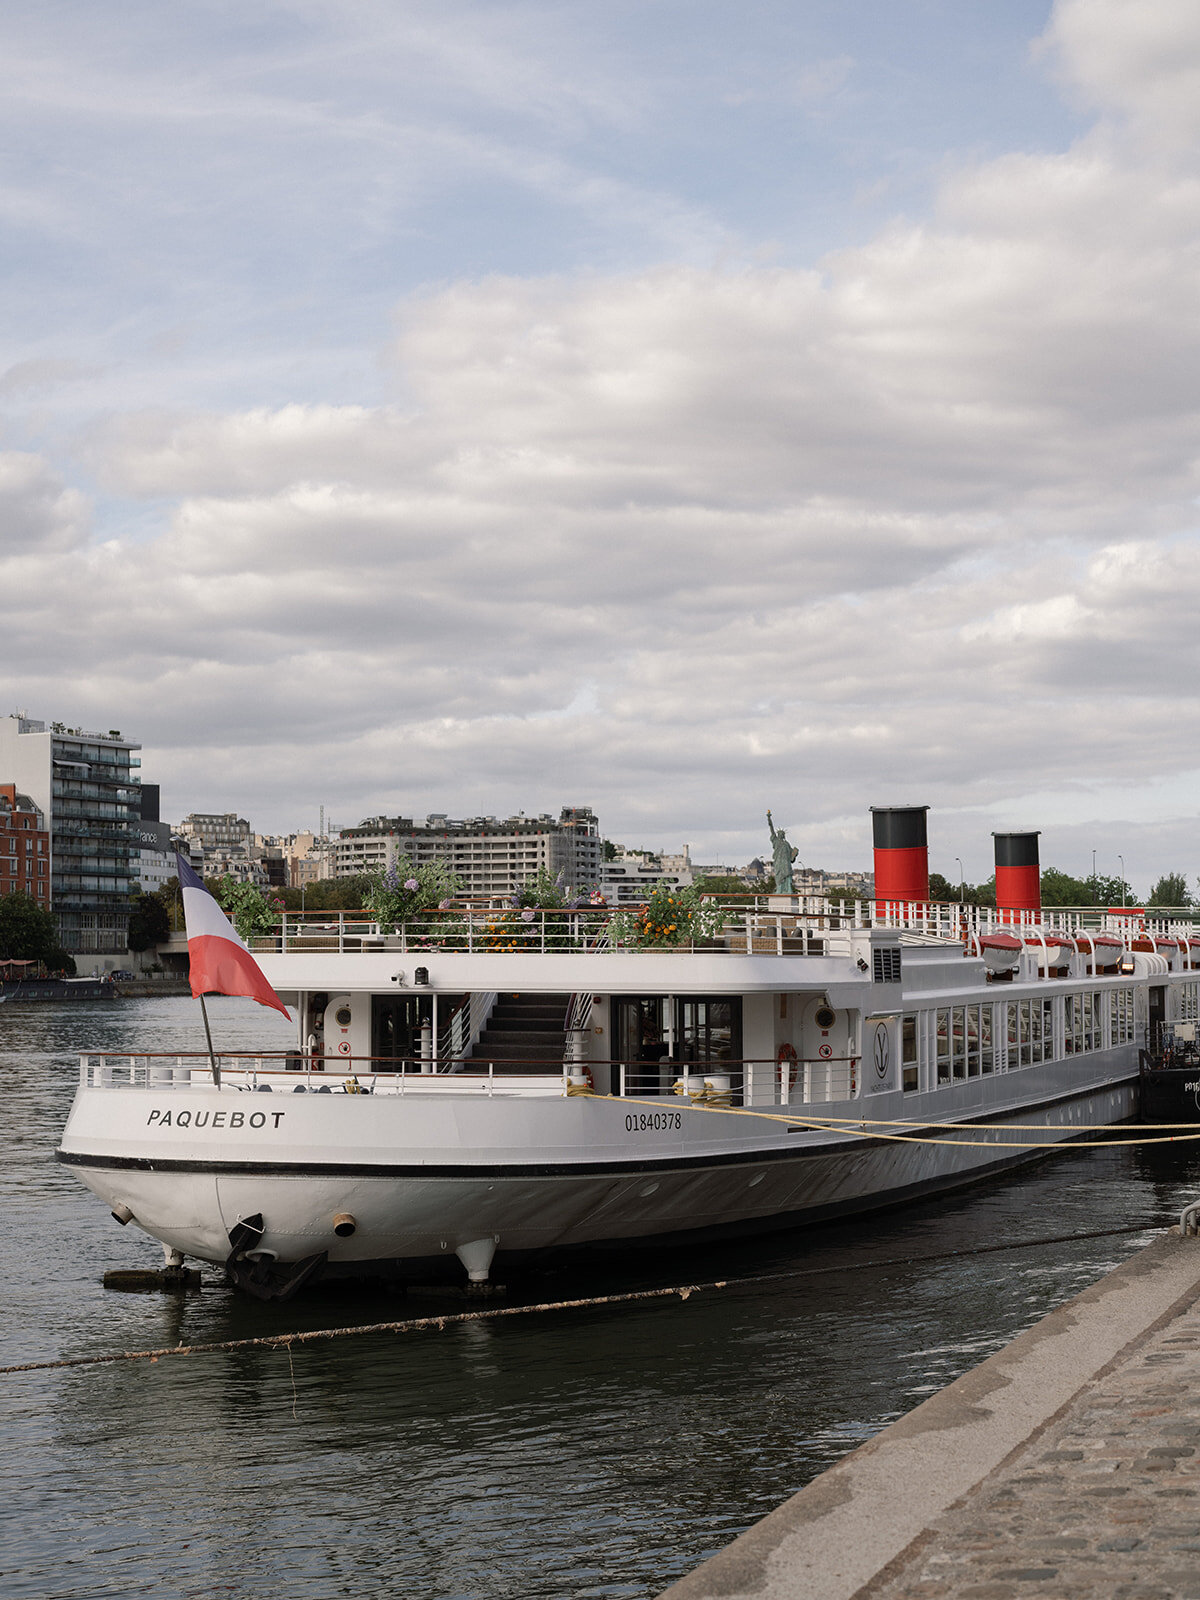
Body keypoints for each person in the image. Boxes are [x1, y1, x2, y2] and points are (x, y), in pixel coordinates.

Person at [767, 810, 799, 895]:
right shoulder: (776, 841)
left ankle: (788, 890)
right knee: (779, 877)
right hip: (778, 862)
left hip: (786, 863)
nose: (780, 835)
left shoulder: (786, 844)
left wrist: (795, 853)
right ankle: (779, 889)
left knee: (788, 876)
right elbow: (771, 829)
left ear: (783, 835)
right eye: (779, 834)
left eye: (782, 834)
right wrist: (769, 818)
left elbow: (791, 857)